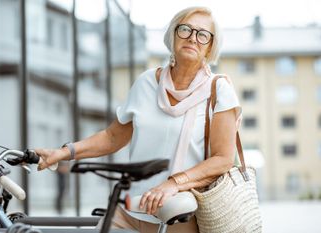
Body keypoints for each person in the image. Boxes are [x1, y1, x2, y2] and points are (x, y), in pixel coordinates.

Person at [36, 6, 241, 233]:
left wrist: (174, 184)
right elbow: (112, 136)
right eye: (186, 29)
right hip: (130, 210)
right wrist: (64, 153)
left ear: (210, 47)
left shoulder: (219, 90)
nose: (193, 38)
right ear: (173, 35)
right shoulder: (146, 83)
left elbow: (223, 159)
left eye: (202, 34)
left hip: (179, 216)